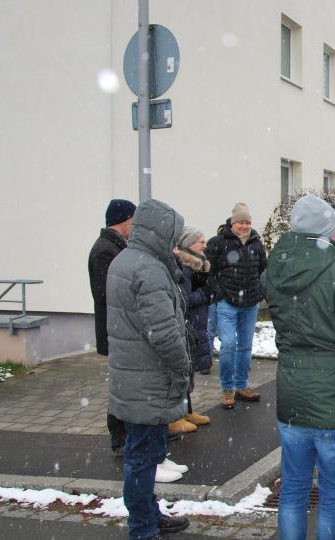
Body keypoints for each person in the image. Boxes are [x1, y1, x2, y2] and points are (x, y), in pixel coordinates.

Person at [261, 194, 335, 540]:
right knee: (333, 493)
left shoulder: (273, 273)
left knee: (294, 490)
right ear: (326, 231)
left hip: (292, 399)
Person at [106, 199, 191, 539]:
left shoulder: (126, 260)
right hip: (149, 378)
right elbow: (164, 332)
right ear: (159, 231)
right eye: (173, 234)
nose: (175, 242)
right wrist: (182, 367)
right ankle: (143, 527)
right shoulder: (149, 269)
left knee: (143, 455)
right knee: (143, 458)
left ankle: (147, 515)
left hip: (133, 374)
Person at [206, 202, 267, 409]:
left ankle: (242, 386)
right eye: (241, 222)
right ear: (233, 223)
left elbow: (263, 271)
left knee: (245, 347)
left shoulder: (257, 243)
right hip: (227, 303)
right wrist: (218, 293)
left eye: (247, 222)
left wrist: (261, 292)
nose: (244, 226)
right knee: (229, 345)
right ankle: (227, 389)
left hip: (250, 303)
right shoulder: (218, 243)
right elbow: (207, 272)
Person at [87, 198, 135, 457]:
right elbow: (108, 294)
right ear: (123, 220)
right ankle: (119, 436)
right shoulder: (106, 250)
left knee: (125, 383)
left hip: (120, 328)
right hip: (115, 329)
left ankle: (126, 433)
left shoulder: (116, 247)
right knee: (120, 385)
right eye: (133, 220)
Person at [171, 226, 215, 434]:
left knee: (189, 370)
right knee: (182, 371)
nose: (205, 245)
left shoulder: (198, 266)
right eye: (201, 241)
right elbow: (184, 299)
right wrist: (205, 295)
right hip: (187, 324)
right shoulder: (185, 267)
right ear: (189, 245)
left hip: (196, 324)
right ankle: (176, 416)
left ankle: (187, 411)